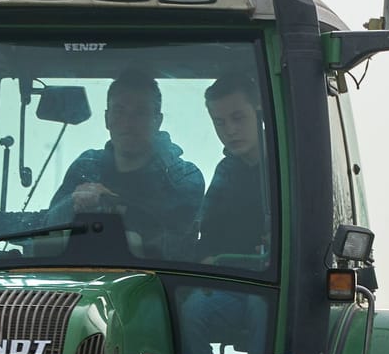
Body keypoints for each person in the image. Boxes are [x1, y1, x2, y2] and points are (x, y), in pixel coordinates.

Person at [49, 75, 203, 253]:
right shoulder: (86, 167)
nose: (128, 123)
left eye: (140, 112)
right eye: (119, 111)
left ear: (157, 121)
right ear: (107, 119)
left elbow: (173, 246)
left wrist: (112, 205)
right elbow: (47, 229)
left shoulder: (184, 177)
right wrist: (74, 202)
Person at [195, 76, 269, 260]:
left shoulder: (288, 168)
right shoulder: (226, 170)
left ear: (259, 112)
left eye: (238, 118)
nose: (230, 130)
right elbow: (207, 236)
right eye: (220, 122)